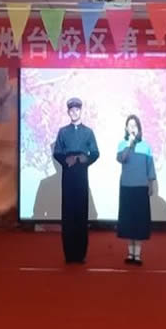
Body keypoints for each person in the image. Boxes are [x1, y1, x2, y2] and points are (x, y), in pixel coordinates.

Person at [52, 97, 99, 264]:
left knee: (81, 213)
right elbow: (57, 152)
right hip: (68, 174)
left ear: (81, 111)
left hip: (81, 174)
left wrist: (83, 159)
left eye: (77, 110)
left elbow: (95, 153)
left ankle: (80, 254)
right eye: (71, 110)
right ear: (68, 112)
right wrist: (67, 160)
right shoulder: (63, 132)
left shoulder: (88, 132)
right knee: (68, 213)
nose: (74, 113)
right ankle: (69, 254)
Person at [116, 115, 155, 265]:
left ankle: (137, 255)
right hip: (126, 186)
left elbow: (150, 167)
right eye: (130, 125)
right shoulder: (122, 144)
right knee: (128, 220)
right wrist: (129, 144)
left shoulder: (146, 146)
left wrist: (151, 184)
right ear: (126, 128)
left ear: (139, 128)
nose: (132, 128)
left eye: (135, 125)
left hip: (141, 187)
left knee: (139, 221)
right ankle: (130, 253)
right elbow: (122, 159)